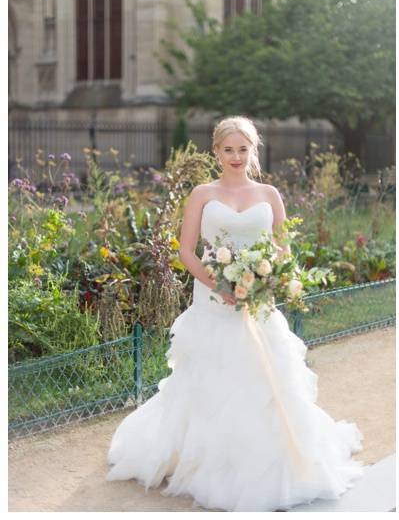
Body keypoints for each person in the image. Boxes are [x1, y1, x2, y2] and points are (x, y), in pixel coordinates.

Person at [106, 116, 364, 511]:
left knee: (264, 378)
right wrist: (221, 286)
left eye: (243, 149)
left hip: (258, 302)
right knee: (214, 376)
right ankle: (209, 460)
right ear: (216, 152)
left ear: (253, 150)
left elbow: (284, 250)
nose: (236, 156)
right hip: (213, 302)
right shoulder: (202, 194)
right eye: (228, 149)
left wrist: (264, 280)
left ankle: (267, 461)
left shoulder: (270, 194)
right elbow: (186, 252)